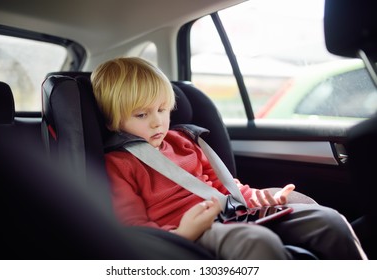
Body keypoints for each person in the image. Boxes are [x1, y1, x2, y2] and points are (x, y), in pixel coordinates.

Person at [91, 56, 367, 260]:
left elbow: (224, 187)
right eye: (142, 115)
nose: (157, 123)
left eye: (162, 110)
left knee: (328, 221)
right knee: (255, 242)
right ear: (112, 120)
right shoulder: (118, 165)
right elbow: (134, 231)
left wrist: (260, 199)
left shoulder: (183, 142)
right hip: (186, 233)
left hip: (231, 214)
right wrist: (184, 233)